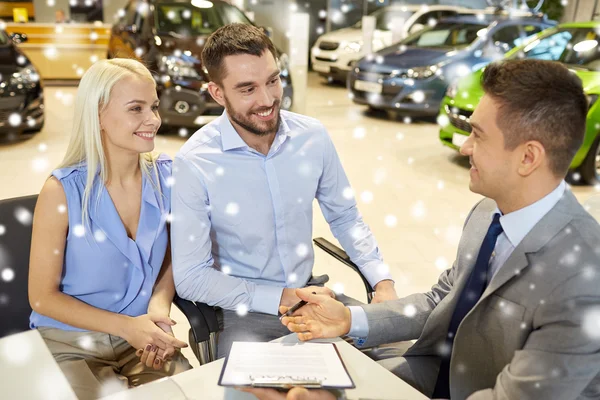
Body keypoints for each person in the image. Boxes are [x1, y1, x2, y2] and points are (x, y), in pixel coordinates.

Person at [281, 59, 600, 400]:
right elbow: (441, 299)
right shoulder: (487, 212)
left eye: (477, 135)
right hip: (442, 372)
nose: (464, 147)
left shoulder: (583, 279)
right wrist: (349, 319)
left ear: (528, 157)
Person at [171, 23, 398, 359]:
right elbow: (191, 276)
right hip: (245, 309)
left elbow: (345, 216)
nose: (267, 100)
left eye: (273, 81)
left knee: (400, 357)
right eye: (247, 89)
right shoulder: (195, 162)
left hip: (313, 296)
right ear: (217, 93)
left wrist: (382, 283)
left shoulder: (313, 137)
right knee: (252, 391)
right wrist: (280, 297)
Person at [28, 58, 191, 400]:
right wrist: (126, 327)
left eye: (154, 107)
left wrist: (157, 311)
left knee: (190, 393)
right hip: (69, 343)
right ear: (98, 115)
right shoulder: (61, 191)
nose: (154, 120)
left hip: (143, 337)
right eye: (136, 109)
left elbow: (176, 254)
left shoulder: (168, 177)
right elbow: (42, 297)